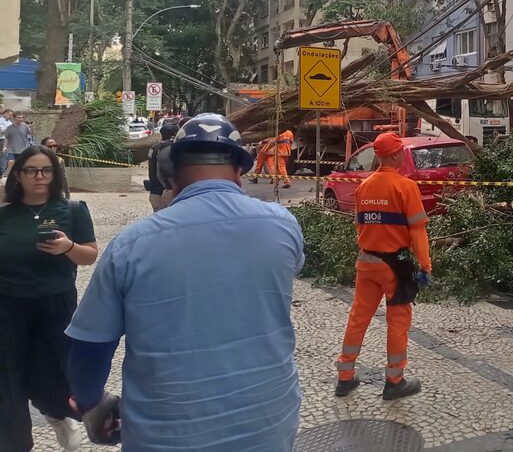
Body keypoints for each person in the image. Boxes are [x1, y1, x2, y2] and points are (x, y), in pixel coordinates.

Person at [65, 113, 304, 451]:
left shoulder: (131, 245)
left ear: (170, 174)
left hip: (166, 436)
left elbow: (89, 349)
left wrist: (93, 404)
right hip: (270, 425)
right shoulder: (284, 225)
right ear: (239, 171)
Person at [0, 144, 99, 452]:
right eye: (31, 170)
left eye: (46, 170)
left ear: (56, 174)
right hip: (8, 304)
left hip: (56, 303)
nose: (39, 176)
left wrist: (68, 247)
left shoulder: (72, 210)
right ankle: (14, 443)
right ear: (18, 175)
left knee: (52, 369)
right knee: (8, 376)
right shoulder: (5, 215)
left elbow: (90, 256)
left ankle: (60, 415)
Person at [335, 132, 432, 401]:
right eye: (401, 151)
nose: (403, 154)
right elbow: (417, 232)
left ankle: (345, 376)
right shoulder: (405, 187)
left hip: (366, 260)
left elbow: (360, 224)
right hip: (393, 265)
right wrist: (425, 266)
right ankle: (394, 380)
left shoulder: (364, 186)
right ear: (393, 154)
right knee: (397, 321)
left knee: (358, 318)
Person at [145, 120, 179, 212]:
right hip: (167, 193)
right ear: (174, 134)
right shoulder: (170, 147)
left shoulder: (154, 147)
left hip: (155, 193)